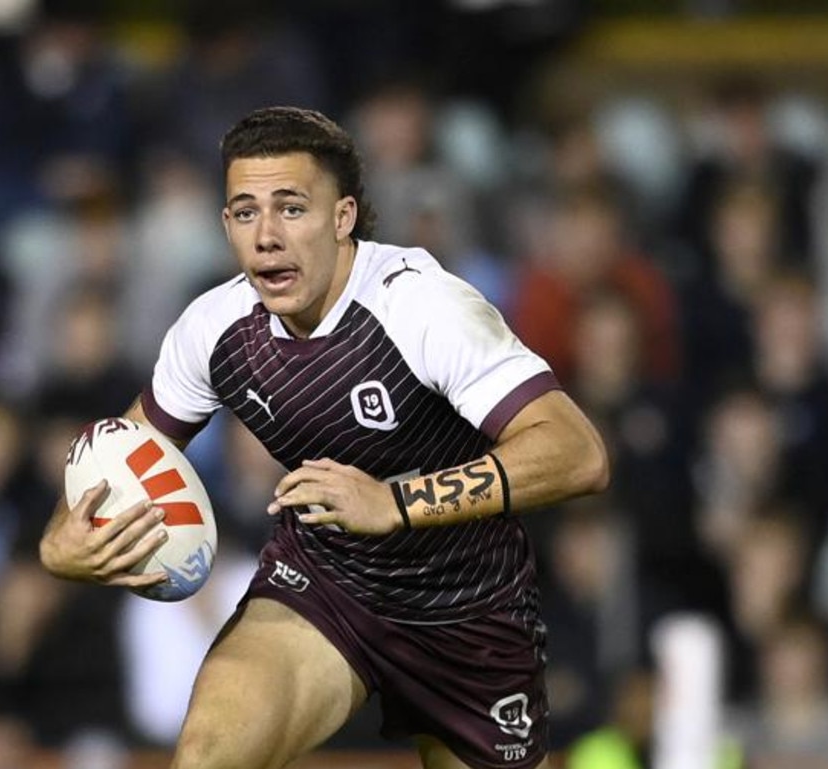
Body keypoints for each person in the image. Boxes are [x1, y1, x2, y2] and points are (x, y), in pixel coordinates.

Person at [40, 106, 609, 769]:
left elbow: (578, 452)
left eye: (291, 208)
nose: (266, 236)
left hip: (467, 607)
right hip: (327, 585)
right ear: (225, 224)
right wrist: (61, 544)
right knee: (207, 756)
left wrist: (396, 505)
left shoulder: (421, 306)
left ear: (342, 218)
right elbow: (122, 451)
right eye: (245, 212)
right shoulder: (215, 329)